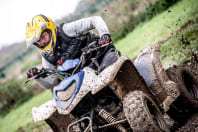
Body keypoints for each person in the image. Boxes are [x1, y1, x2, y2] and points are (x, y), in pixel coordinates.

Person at [25, 14, 119, 89]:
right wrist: (38, 77)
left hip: (101, 57)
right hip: (82, 77)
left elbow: (95, 20)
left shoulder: (66, 30)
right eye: (38, 42)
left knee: (113, 70)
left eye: (43, 37)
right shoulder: (47, 57)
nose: (42, 42)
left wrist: (104, 34)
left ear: (50, 29)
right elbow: (50, 83)